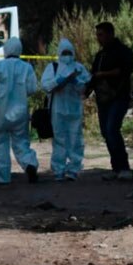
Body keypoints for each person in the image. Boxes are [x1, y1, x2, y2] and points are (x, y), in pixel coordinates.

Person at [0, 37, 39, 185]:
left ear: (5, 50)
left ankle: (3, 176)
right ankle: (29, 163)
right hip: (20, 111)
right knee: (21, 142)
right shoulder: (27, 68)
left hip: (0, 112)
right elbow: (32, 89)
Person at [88, 22, 133, 180]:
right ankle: (116, 168)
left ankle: (124, 168)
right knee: (106, 132)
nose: (98, 38)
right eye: (97, 35)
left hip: (119, 97)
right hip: (103, 99)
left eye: (101, 34)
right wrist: (84, 91)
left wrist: (103, 75)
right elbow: (92, 77)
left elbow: (124, 71)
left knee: (112, 129)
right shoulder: (100, 56)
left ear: (110, 34)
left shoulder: (124, 52)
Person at [40, 38, 92, 181]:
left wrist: (75, 81)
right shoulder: (53, 67)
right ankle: (59, 169)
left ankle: (74, 168)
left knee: (76, 139)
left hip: (75, 109)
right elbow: (45, 86)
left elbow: (85, 88)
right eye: (64, 52)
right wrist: (60, 80)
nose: (67, 55)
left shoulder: (79, 68)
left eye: (69, 52)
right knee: (59, 138)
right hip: (58, 108)